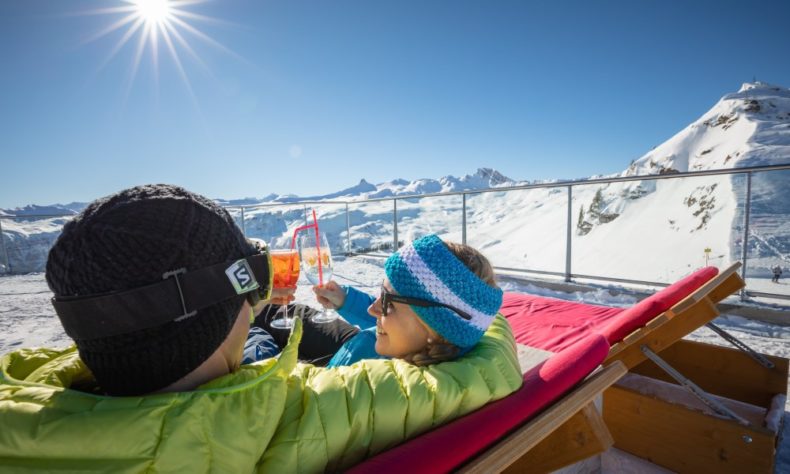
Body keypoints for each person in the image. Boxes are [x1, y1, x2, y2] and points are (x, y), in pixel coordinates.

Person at [0, 184, 522, 472]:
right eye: (245, 296)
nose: (376, 308)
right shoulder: (320, 408)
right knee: (280, 323)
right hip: (330, 363)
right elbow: (485, 349)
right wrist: (476, 314)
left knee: (277, 325)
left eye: (388, 302)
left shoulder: (24, 404)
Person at [252, 234, 503, 369]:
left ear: (436, 332)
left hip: (345, 360)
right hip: (364, 342)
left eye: (387, 302)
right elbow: (407, 314)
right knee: (284, 311)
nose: (373, 308)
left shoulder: (363, 390)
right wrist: (345, 301)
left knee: (255, 330)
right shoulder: (454, 330)